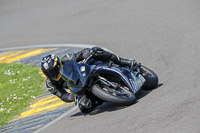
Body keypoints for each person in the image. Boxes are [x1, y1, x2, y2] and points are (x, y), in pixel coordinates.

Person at [41, 47, 134, 113]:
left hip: (85, 73)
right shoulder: (50, 84)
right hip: (79, 89)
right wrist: (70, 96)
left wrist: (87, 52)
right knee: (84, 107)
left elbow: (80, 54)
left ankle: (123, 62)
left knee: (97, 51)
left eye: (53, 70)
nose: (52, 74)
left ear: (58, 65)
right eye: (48, 73)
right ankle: (105, 97)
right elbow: (62, 95)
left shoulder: (66, 59)